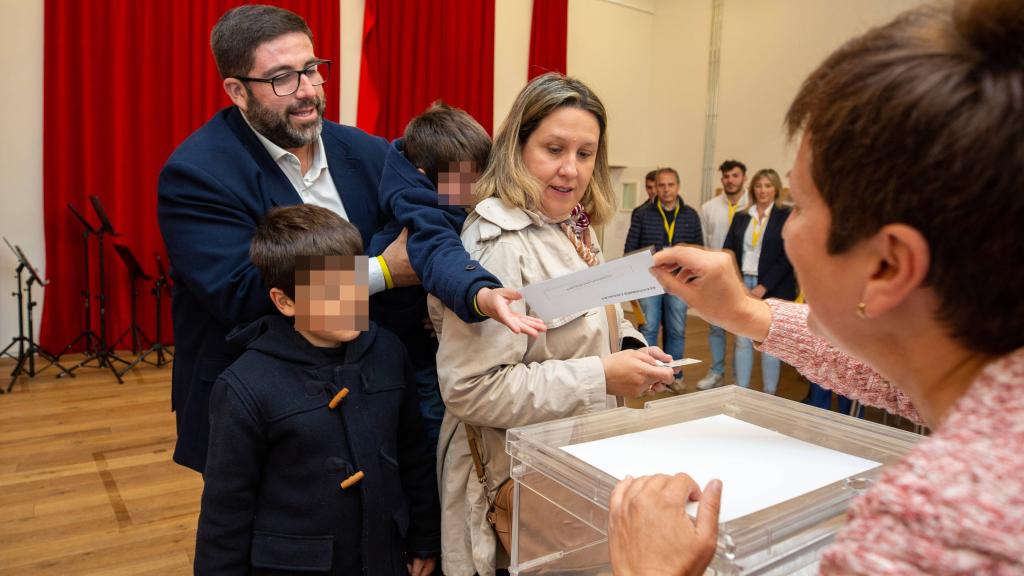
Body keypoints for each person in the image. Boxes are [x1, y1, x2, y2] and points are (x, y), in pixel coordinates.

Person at [608, 0, 1024, 573]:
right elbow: (889, 373)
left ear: (887, 266)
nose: (788, 224)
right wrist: (749, 315)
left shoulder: (928, 535)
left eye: (798, 205)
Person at [429, 73, 677, 576]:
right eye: (554, 149)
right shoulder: (498, 242)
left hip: (566, 468)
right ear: (517, 148)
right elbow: (471, 388)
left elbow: (588, 318)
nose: (571, 169)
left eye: (586, 154)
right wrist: (603, 376)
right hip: (513, 483)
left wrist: (631, 348)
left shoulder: (572, 223)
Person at [157, 5, 414, 473]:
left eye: (312, 69)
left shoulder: (367, 151)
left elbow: (413, 234)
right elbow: (245, 294)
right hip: (264, 410)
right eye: (282, 78)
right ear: (236, 91)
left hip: (371, 394)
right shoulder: (196, 174)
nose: (308, 91)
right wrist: (381, 272)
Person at [196, 205, 439, 575]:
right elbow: (225, 511)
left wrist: (425, 536)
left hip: (385, 556)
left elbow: (413, 454)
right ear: (285, 301)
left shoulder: (388, 350)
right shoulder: (244, 386)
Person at [367, 101, 547, 449]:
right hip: (406, 347)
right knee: (432, 423)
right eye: (468, 178)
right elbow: (439, 253)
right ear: (425, 174)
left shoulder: (445, 191)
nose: (479, 185)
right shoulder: (418, 206)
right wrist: (479, 292)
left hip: (423, 328)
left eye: (483, 173)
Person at [624, 167, 703, 392]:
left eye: (670, 185)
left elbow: (698, 250)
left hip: (680, 282)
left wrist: (695, 282)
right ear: (655, 188)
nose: (666, 190)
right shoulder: (642, 214)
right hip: (649, 280)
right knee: (648, 329)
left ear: (677, 187)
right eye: (661, 185)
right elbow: (630, 249)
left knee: (676, 329)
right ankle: (648, 375)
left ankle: (672, 376)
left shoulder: (690, 215)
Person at [721, 168, 795, 394]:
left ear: (776, 190)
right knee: (742, 340)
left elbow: (787, 255)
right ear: (753, 189)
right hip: (743, 282)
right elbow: (728, 251)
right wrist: (739, 284)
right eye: (759, 186)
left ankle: (769, 394)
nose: (763, 190)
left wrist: (764, 287)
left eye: (768, 185)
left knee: (770, 342)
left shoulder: (786, 216)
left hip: (773, 287)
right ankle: (741, 391)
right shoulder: (742, 216)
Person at [696, 160, 749, 390]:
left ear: (744, 178)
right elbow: (706, 244)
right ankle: (717, 371)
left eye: (735, 176)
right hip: (716, 276)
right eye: (726, 176)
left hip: (745, 275)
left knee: (743, 329)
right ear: (722, 180)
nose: (730, 180)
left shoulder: (753, 206)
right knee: (715, 326)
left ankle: (740, 380)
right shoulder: (709, 208)